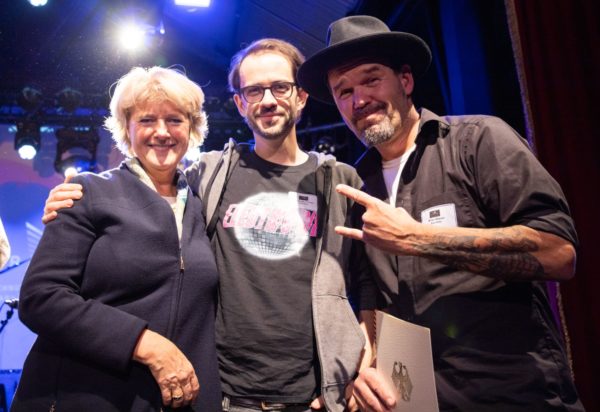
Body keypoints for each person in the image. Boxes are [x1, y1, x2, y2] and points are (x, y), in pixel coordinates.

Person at [42, 39, 370, 411]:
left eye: (280, 87)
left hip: (312, 399)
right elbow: (148, 179)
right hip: (224, 397)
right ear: (239, 102)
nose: (267, 100)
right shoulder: (209, 175)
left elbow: (367, 283)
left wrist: (359, 363)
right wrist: (77, 195)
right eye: (253, 90)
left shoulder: (340, 182)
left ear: (301, 96)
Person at [297, 15, 584, 412]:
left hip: (515, 395)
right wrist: (365, 363)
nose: (358, 100)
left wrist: (416, 239)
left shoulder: (478, 140)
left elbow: (558, 253)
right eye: (343, 91)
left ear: (406, 80)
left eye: (371, 79)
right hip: (415, 400)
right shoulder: (357, 185)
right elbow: (369, 293)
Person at [13, 67, 221, 411]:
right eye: (147, 120)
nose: (162, 132)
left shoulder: (202, 204)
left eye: (174, 120)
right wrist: (144, 343)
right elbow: (40, 298)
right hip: (85, 397)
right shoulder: (88, 192)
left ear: (192, 128)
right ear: (127, 128)